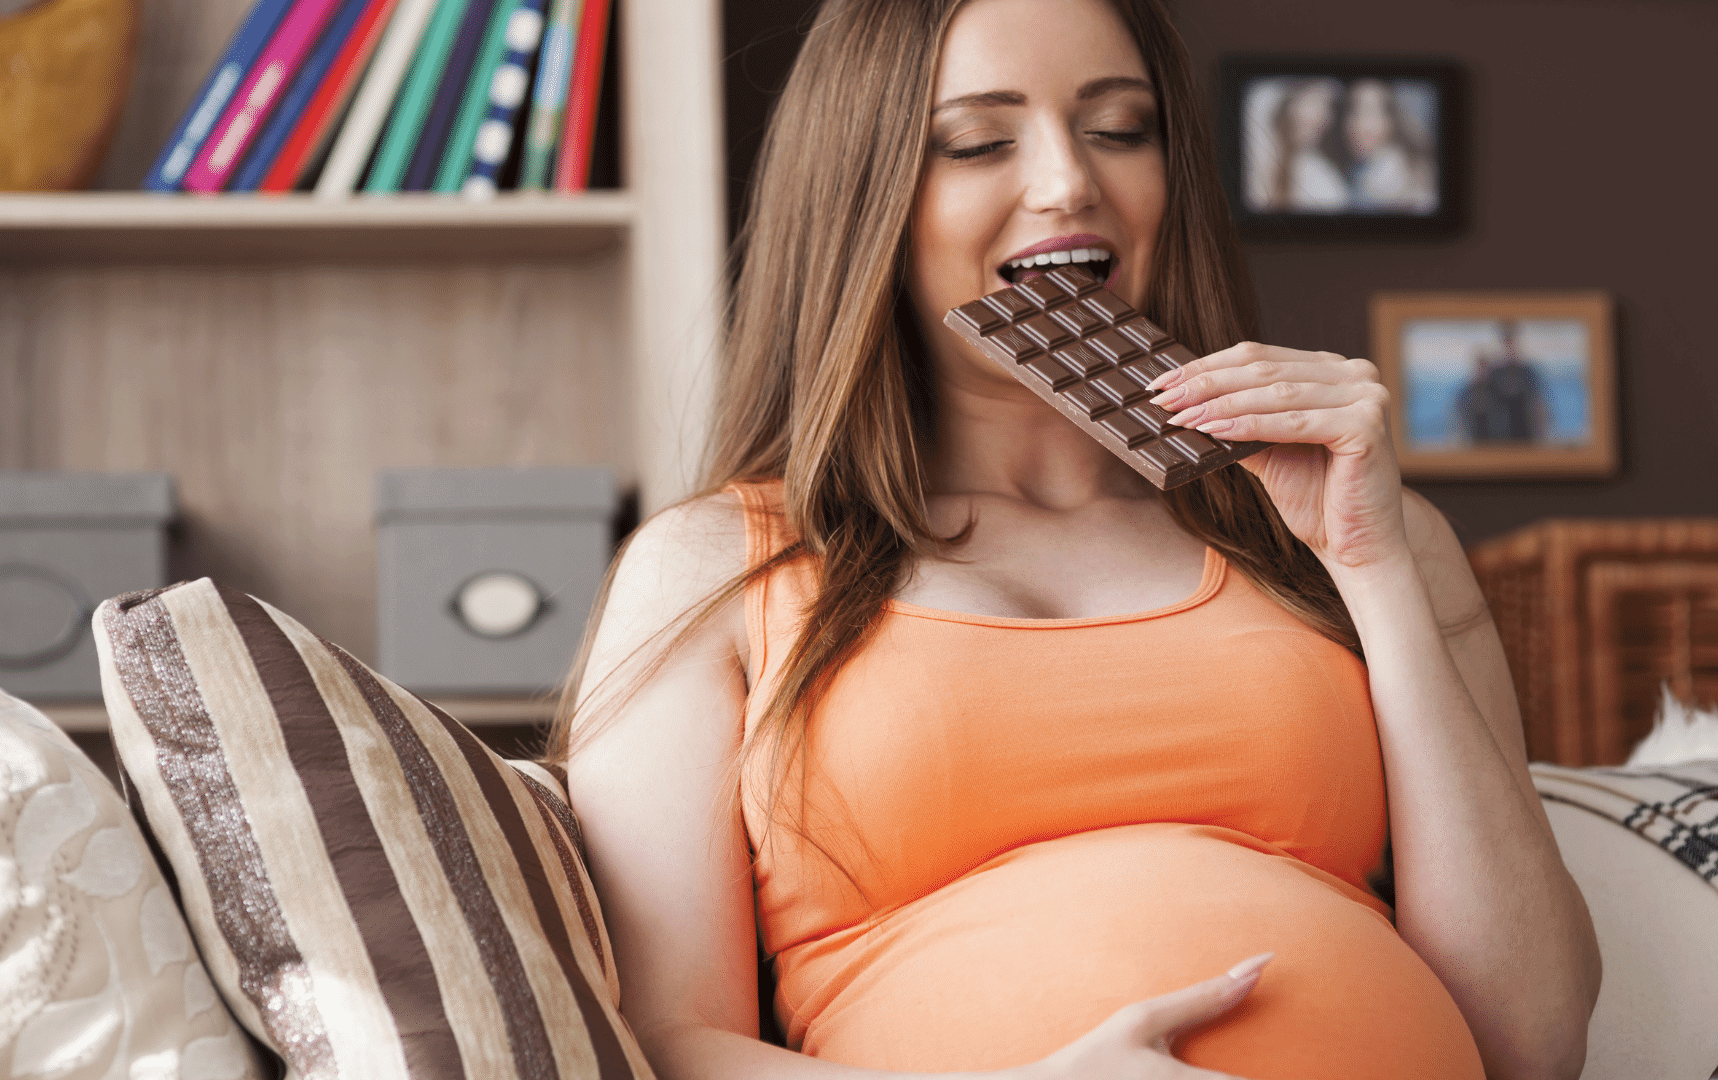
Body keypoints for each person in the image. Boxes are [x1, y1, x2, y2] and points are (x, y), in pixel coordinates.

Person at [555, 1, 1601, 1078]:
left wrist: (1374, 569)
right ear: (862, 199)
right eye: (977, 142)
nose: (1069, 183)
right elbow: (663, 1048)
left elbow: (1534, 1042)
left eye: (1118, 130)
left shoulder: (1361, 537)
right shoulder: (715, 566)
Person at [1245, 77, 1348, 213]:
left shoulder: (1322, 179)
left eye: (1329, 106)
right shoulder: (1253, 140)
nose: (1326, 117)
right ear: (1290, 100)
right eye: (1317, 101)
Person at [1339, 78, 1436, 214]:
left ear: (1391, 121)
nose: (1358, 124)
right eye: (1352, 111)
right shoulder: (1361, 167)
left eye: (1369, 112)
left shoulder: (1386, 176)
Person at [1455, 321, 1549, 444]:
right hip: (1496, 443)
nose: (1508, 343)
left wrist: (1540, 440)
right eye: (1505, 338)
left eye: (1511, 338)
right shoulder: (1494, 373)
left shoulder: (1528, 373)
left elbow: (1538, 410)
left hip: (1525, 440)